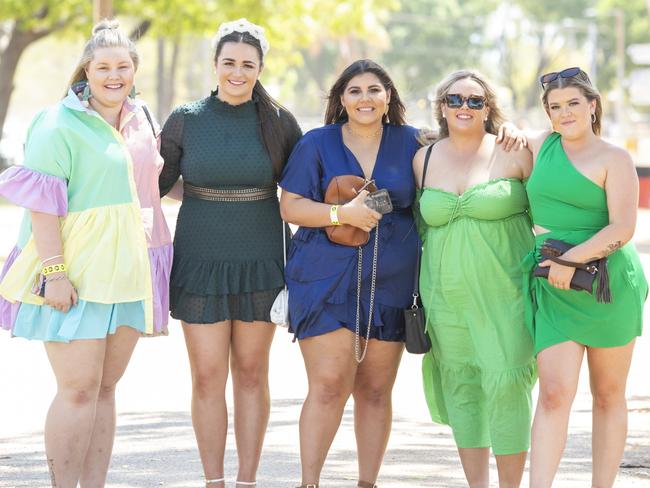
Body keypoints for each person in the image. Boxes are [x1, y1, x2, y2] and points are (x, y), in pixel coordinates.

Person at [0, 20, 172, 487]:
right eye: (103, 67)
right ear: (86, 70)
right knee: (77, 390)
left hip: (129, 272)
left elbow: (150, 192)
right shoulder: (57, 122)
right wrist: (55, 273)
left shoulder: (141, 119)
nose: (113, 75)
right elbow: (41, 206)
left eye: (123, 66)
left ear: (134, 70)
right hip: (75, 271)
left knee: (106, 390)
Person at [158, 18, 301, 488]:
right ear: (215, 65)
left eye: (247, 64)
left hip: (262, 257)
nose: (237, 72)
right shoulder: (186, 118)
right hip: (199, 256)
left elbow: (303, 186)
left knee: (252, 373)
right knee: (205, 375)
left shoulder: (279, 122)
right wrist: (202, 195)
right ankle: (213, 480)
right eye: (229, 63)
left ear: (260, 68)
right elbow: (156, 182)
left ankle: (246, 480)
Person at [278, 59, 421, 488]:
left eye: (374, 90)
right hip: (325, 279)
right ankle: (310, 483)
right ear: (341, 99)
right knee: (328, 385)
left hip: (392, 282)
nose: (365, 98)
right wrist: (343, 212)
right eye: (354, 91)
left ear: (389, 97)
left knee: (376, 392)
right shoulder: (316, 143)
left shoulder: (414, 142)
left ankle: (367, 483)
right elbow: (292, 207)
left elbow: (463, 151)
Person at [520, 67, 647, 488]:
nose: (565, 113)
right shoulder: (540, 147)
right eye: (555, 107)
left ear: (592, 106)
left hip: (607, 285)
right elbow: (495, 134)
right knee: (554, 393)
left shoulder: (615, 157)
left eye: (573, 103)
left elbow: (622, 228)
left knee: (609, 394)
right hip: (554, 289)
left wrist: (570, 261)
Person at [414, 70, 536, 488]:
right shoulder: (423, 159)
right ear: (441, 107)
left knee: (506, 387)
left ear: (488, 108)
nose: (464, 107)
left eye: (474, 100)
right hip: (446, 300)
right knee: (463, 388)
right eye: (455, 99)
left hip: (506, 295)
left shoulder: (515, 152)